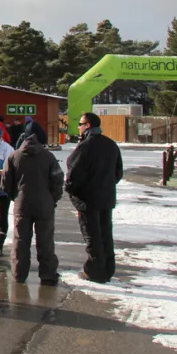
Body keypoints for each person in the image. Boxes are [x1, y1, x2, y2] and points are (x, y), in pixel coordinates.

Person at [65, 112, 123, 284]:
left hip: (87, 199)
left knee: (92, 236)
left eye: (81, 124)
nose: (79, 128)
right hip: (106, 197)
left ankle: (95, 271)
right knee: (105, 233)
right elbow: (118, 172)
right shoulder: (111, 145)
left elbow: (73, 173)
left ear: (88, 126)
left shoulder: (85, 147)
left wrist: (71, 190)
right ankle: (108, 268)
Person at [2, 134, 64, 286]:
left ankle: (19, 274)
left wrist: (15, 197)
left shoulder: (14, 156)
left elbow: (6, 182)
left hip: (22, 204)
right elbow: (58, 179)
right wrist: (52, 198)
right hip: (45, 204)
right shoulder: (48, 156)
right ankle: (48, 275)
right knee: (46, 240)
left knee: (20, 240)